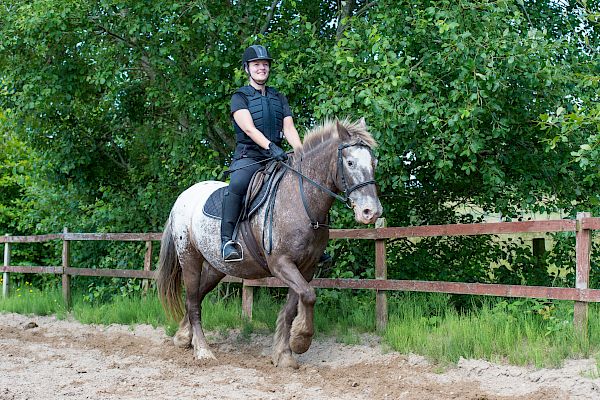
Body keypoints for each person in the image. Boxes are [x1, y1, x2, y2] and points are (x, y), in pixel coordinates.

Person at [221, 44, 302, 261]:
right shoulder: (240, 97)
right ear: (247, 68)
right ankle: (226, 241)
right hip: (250, 156)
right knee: (237, 184)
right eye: (257, 64)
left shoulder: (278, 97)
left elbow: (289, 128)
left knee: (304, 184)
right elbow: (248, 128)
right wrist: (271, 147)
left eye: (265, 64)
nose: (262, 68)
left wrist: (300, 151)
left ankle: (308, 242)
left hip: (276, 157)